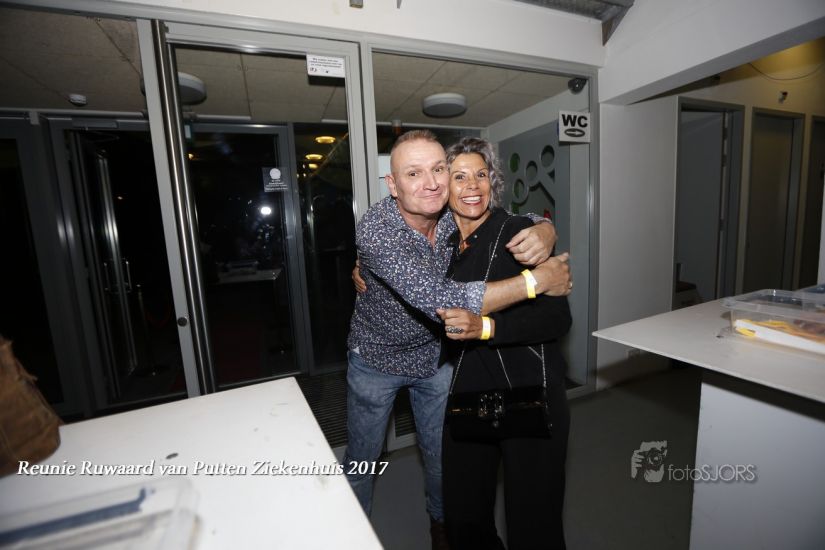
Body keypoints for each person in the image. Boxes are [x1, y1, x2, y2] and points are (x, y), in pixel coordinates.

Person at [343, 130, 571, 549]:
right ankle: (347, 535)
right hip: (377, 360)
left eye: (438, 170)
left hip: (437, 360)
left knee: (440, 457)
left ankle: (442, 526)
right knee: (362, 458)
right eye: (414, 173)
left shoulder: (450, 213)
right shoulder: (377, 230)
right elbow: (441, 298)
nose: (431, 183)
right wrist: (536, 281)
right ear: (392, 184)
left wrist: (545, 228)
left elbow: (501, 214)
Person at [437, 137, 571, 549]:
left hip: (530, 396)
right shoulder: (442, 245)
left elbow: (557, 317)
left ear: (491, 182)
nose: (472, 186)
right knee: (463, 518)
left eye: (481, 175)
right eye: (460, 176)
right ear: (444, 186)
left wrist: (487, 328)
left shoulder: (515, 232)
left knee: (534, 527)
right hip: (469, 394)